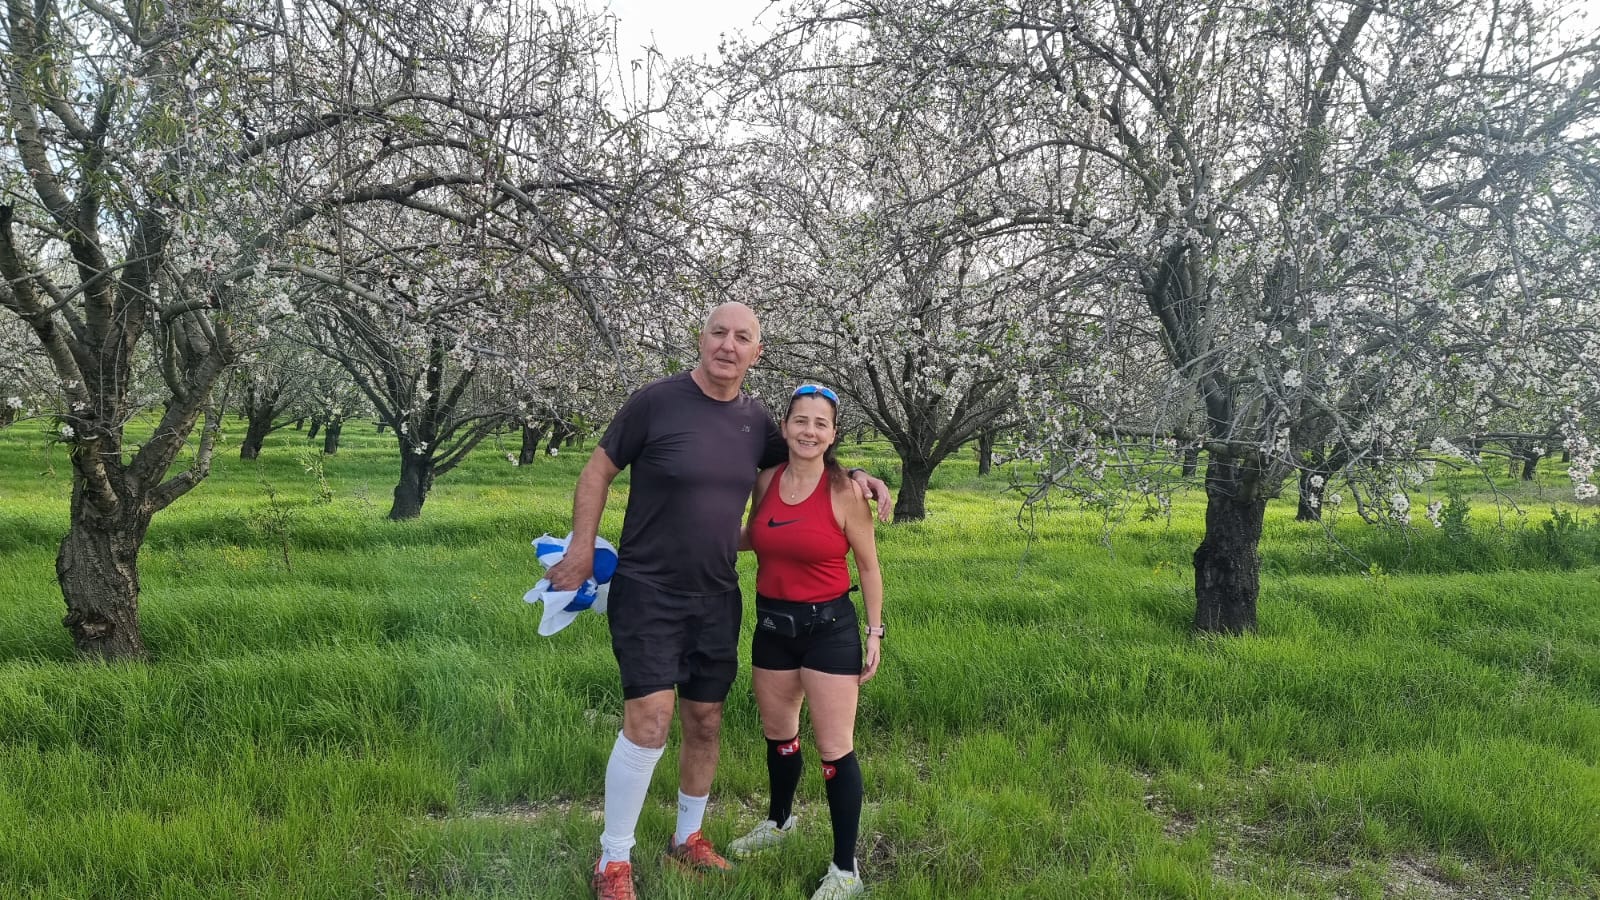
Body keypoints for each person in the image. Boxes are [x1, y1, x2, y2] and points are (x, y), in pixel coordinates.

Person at [544, 303, 890, 900]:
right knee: (649, 721)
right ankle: (613, 860)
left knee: (705, 721)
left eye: (743, 337)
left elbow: (808, 452)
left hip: (717, 596)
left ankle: (688, 837)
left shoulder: (755, 422)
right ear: (701, 339)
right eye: (719, 333)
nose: (729, 345)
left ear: (757, 353)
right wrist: (580, 548)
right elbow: (598, 471)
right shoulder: (656, 401)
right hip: (649, 591)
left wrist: (856, 473)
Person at [730, 383, 884, 900]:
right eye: (800, 420)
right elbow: (756, 534)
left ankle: (845, 870)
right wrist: (692, 533)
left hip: (829, 632)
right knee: (779, 736)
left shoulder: (846, 493)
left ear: (833, 434)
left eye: (820, 424)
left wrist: (874, 632)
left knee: (835, 749)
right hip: (773, 629)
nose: (809, 431)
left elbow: (868, 566)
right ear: (785, 426)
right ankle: (779, 822)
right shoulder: (766, 480)